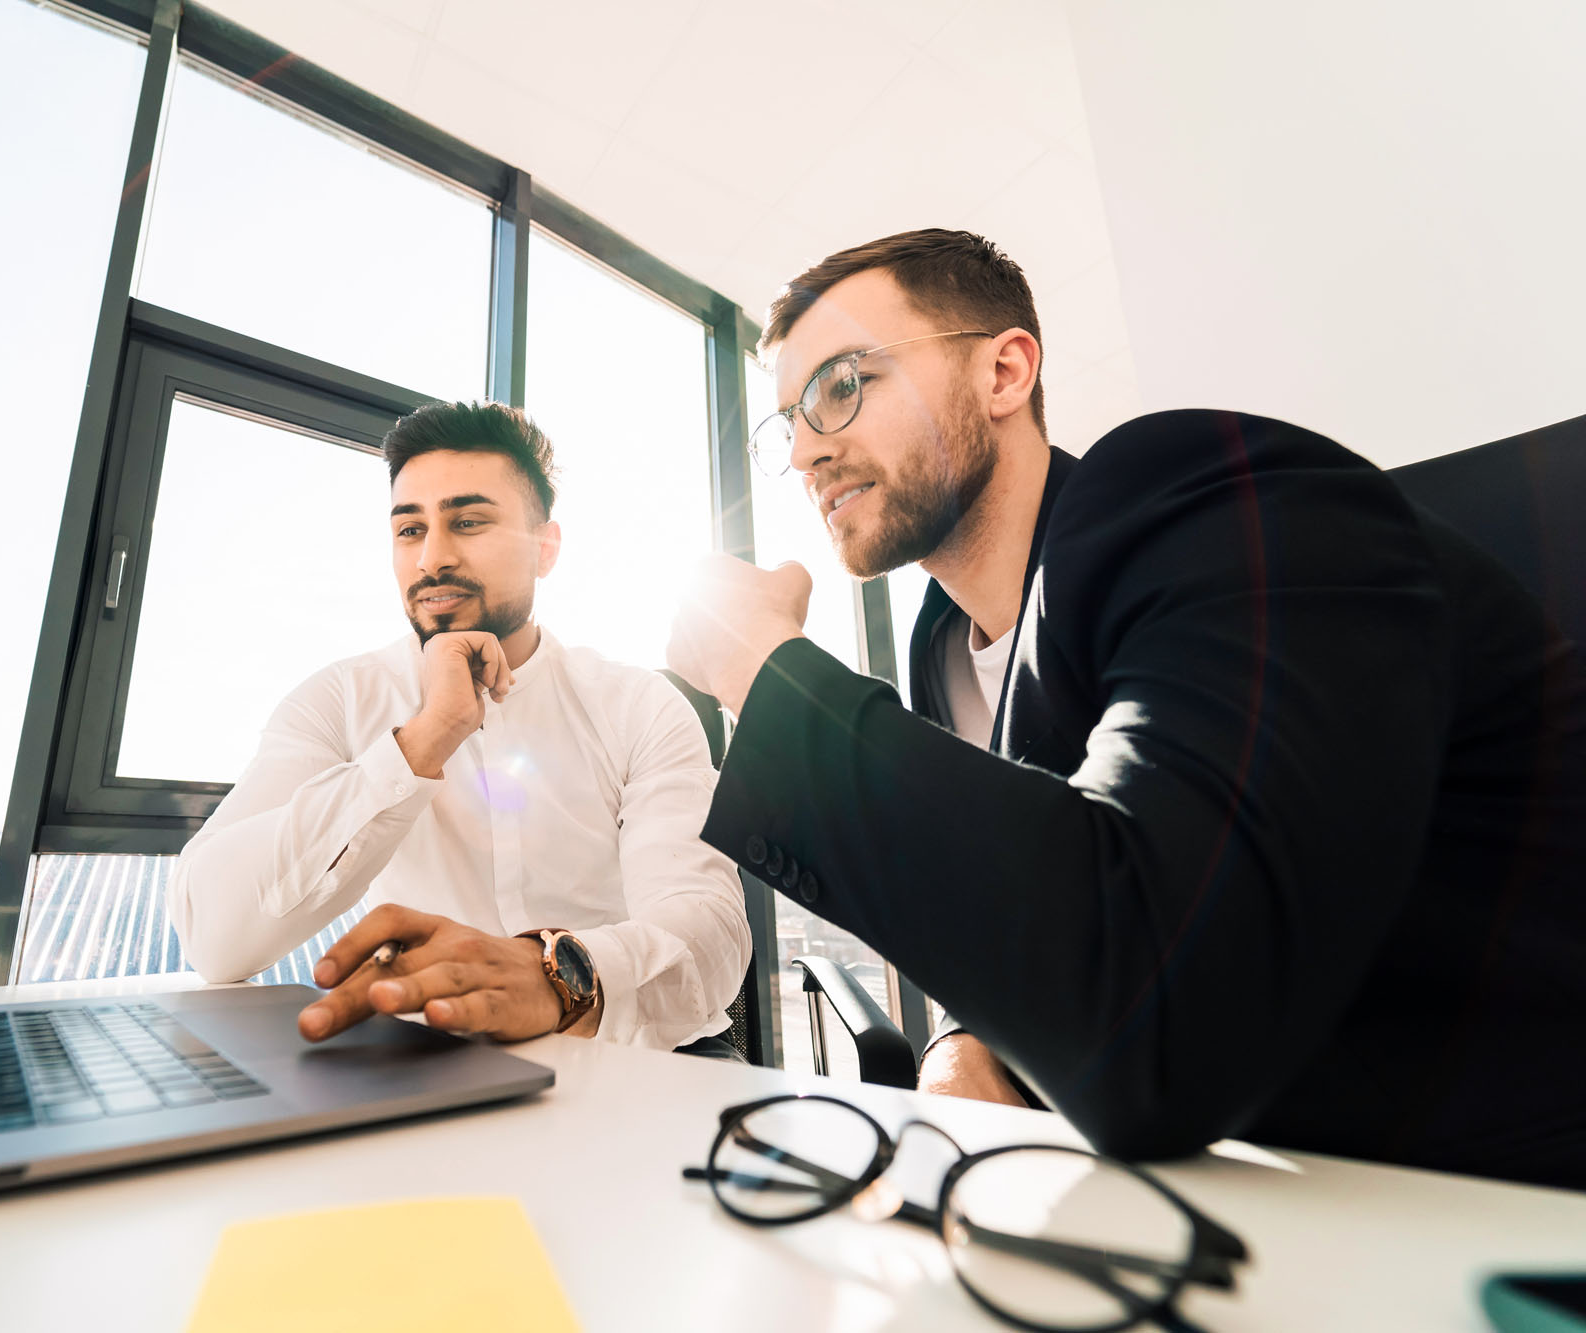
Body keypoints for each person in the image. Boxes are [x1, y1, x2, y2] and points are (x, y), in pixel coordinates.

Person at [667, 228, 1586, 1188]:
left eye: (841, 385)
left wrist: (771, 677)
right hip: (1235, 1200)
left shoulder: (1188, 493)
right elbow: (1039, 883)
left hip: (1504, 1194)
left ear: (1005, 371)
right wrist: (965, 1037)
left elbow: (1166, 1001)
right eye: (789, 423)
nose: (809, 448)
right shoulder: (941, 653)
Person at [170, 400, 751, 1056]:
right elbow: (213, 938)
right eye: (410, 530)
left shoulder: (639, 703)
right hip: (435, 1057)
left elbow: (709, 933)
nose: (432, 559)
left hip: (642, 1052)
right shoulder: (336, 700)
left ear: (545, 547)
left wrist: (556, 979)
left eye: (468, 521)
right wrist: (426, 737)